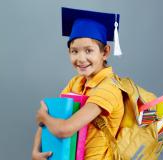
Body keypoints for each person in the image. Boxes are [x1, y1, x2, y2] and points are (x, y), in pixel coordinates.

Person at [32, 7, 124, 160]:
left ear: (105, 52)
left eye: (88, 51)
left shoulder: (108, 89)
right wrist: (36, 150)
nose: (80, 59)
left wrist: (43, 117)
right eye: (74, 51)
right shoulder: (75, 83)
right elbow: (51, 116)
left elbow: (64, 129)